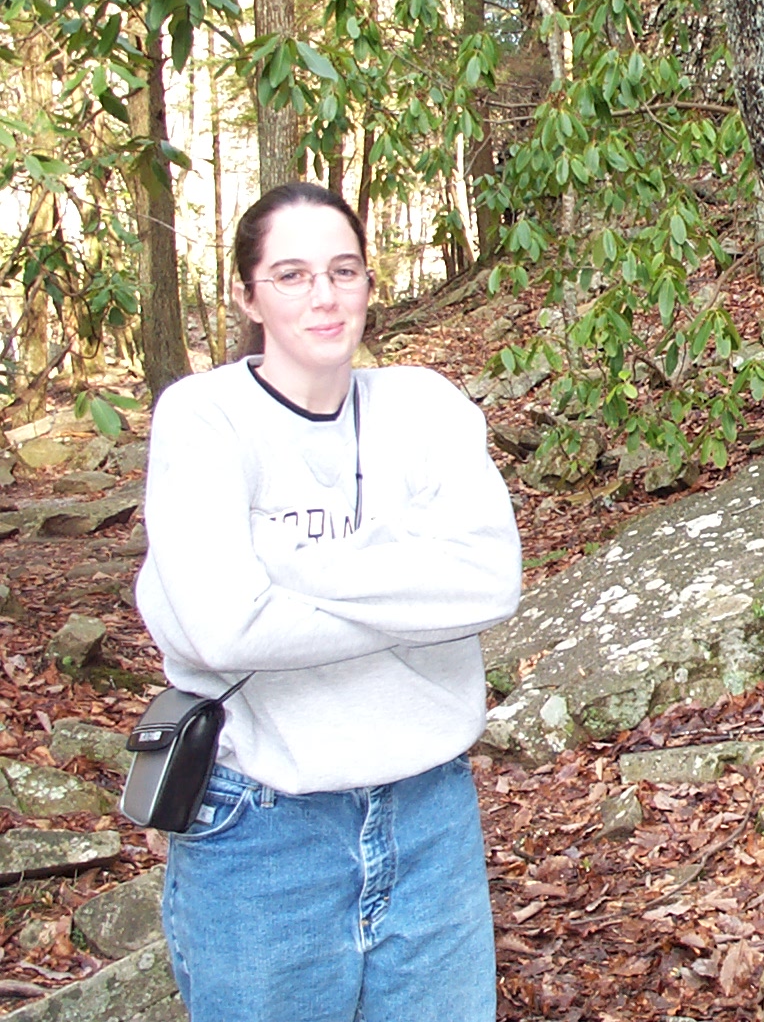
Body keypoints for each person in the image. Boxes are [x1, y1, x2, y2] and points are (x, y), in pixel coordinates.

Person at [134, 182, 522, 1022]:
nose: (323, 296)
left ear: (369, 285)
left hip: (429, 817)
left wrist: (279, 561)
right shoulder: (204, 419)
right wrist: (410, 576)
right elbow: (222, 625)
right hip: (262, 835)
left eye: (343, 271)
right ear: (247, 295)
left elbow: (490, 580)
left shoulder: (423, 406)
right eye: (292, 274)